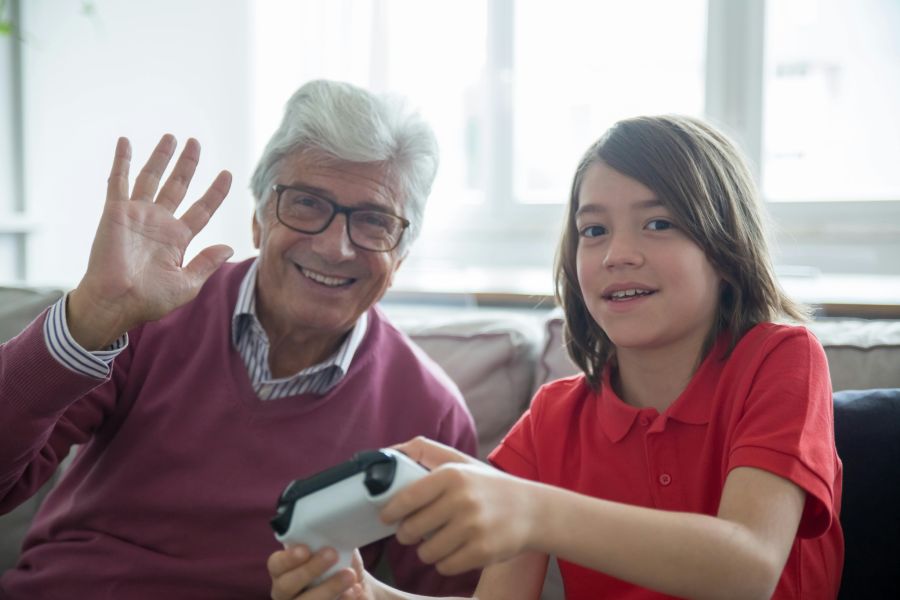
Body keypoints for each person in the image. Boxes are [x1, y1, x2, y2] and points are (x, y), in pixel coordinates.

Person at [268, 115, 844, 599]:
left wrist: (534, 509)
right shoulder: (552, 420)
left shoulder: (781, 359)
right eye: (593, 230)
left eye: (659, 223)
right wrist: (368, 593)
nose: (618, 253)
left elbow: (748, 569)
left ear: (725, 247)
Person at [0, 80, 479, 598]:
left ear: (401, 254)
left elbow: (451, 594)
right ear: (257, 219)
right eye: (306, 204)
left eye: (374, 221)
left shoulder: (431, 414)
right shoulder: (146, 315)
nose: (335, 247)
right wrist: (86, 321)